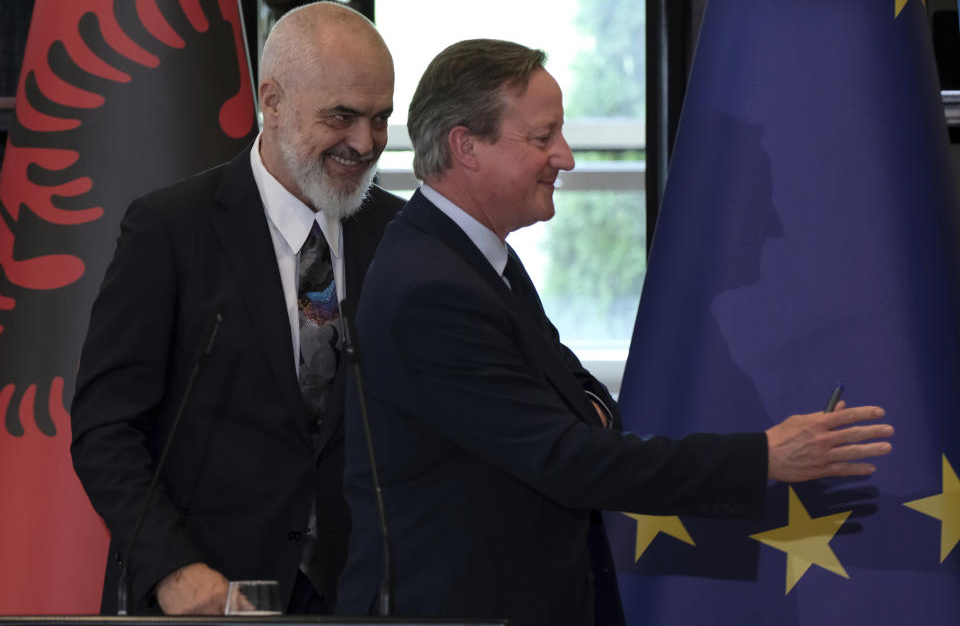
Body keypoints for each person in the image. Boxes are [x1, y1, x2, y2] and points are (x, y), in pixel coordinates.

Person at [336, 39, 894, 626]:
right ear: (465, 146)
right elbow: (567, 456)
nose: (567, 157)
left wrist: (580, 422)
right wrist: (765, 457)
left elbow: (583, 401)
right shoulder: (433, 286)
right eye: (542, 136)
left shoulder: (472, 258)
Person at [70, 2, 403, 615]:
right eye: (342, 116)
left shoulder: (402, 234)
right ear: (272, 101)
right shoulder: (170, 229)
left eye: (380, 118)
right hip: (210, 595)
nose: (366, 142)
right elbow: (105, 430)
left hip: (366, 596)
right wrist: (172, 569)